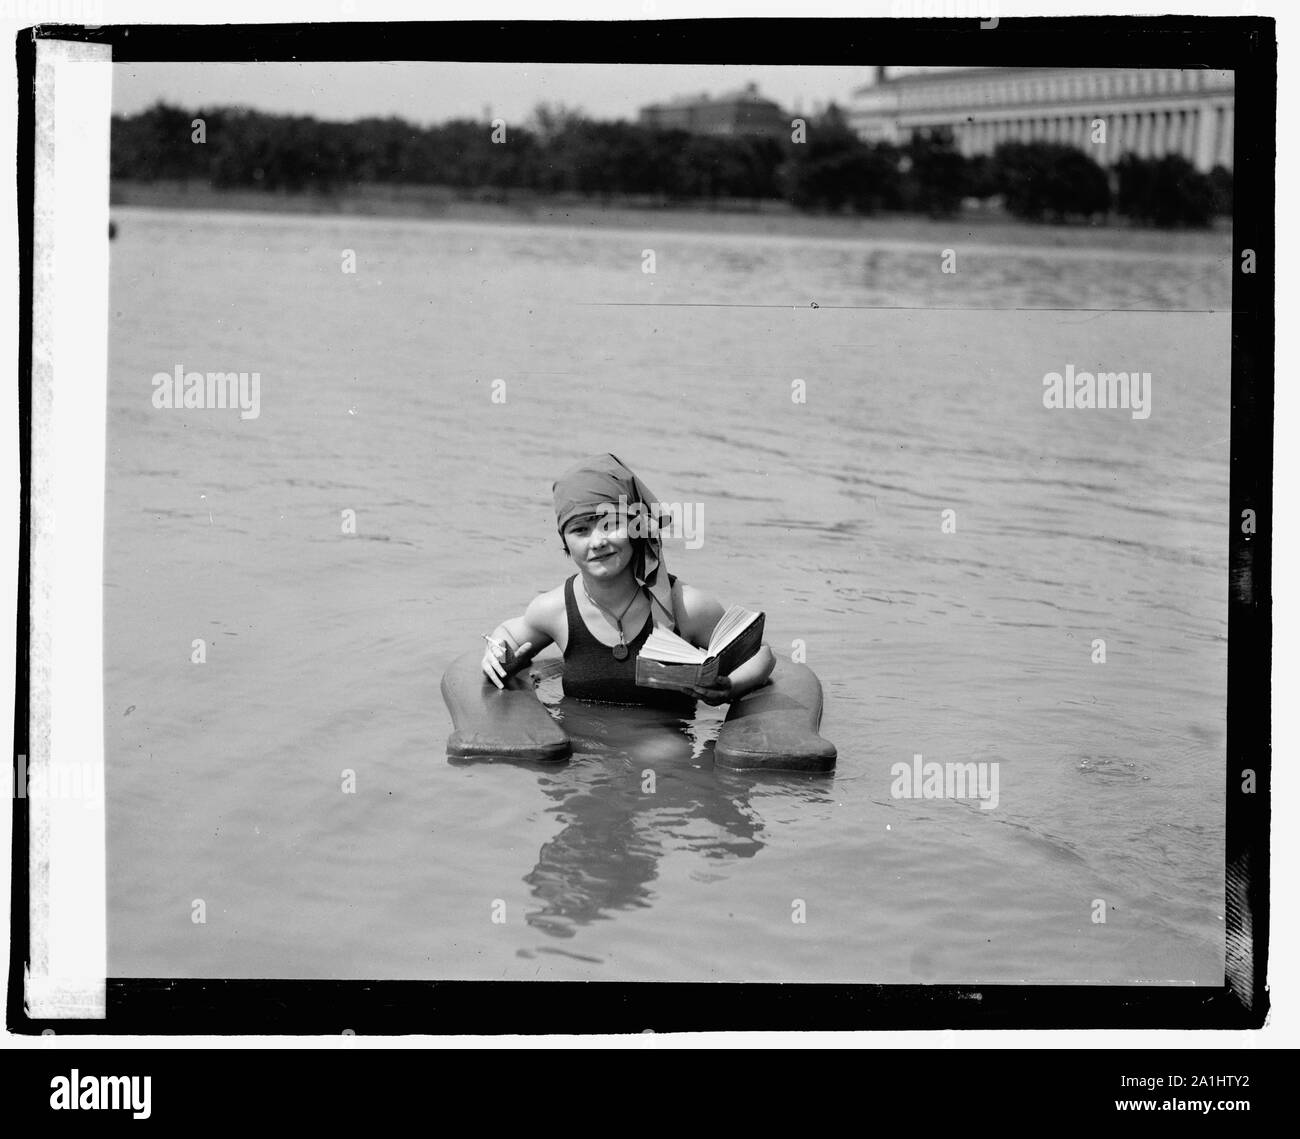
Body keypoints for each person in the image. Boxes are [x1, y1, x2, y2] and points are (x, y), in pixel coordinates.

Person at [480, 453, 775, 710]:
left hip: (664, 763)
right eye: (581, 530)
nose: (597, 542)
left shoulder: (687, 606)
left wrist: (730, 687)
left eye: (610, 525)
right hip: (583, 765)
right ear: (566, 543)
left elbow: (761, 654)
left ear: (636, 529)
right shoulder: (554, 609)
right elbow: (509, 633)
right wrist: (498, 652)